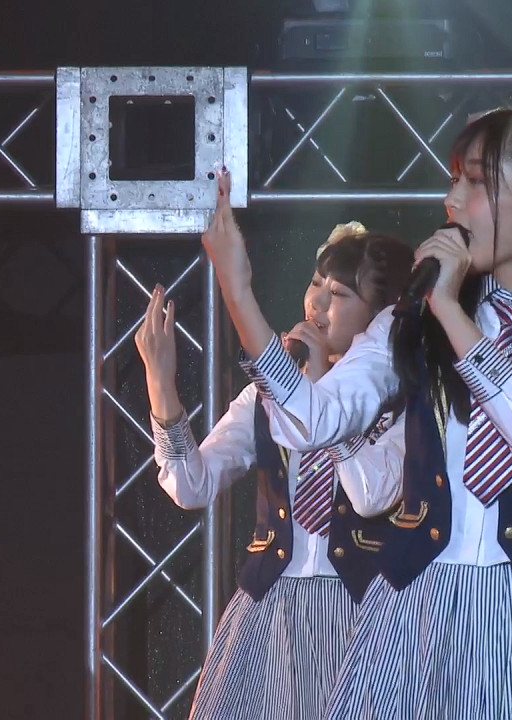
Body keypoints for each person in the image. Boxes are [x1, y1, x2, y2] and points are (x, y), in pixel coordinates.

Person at [200, 107, 512, 719]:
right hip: (415, 606)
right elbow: (314, 419)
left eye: (476, 183)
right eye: (453, 180)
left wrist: (448, 308)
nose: (452, 201)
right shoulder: (408, 322)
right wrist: (239, 295)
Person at [136, 217, 412, 719]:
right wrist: (161, 386)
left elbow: (371, 492)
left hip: (365, 610)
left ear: (379, 316)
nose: (317, 304)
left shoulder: (400, 399)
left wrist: (322, 390)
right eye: (315, 284)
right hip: (271, 610)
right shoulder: (265, 398)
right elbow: (192, 485)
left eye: (340, 294)